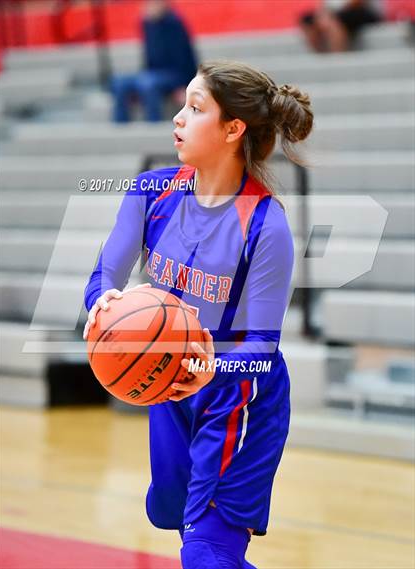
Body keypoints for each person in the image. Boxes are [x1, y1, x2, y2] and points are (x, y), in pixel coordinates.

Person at [84, 60, 314, 568]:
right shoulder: (151, 192)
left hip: (237, 401)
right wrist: (102, 300)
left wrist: (210, 366)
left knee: (206, 551)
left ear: (233, 129)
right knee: (171, 512)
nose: (178, 119)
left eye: (195, 108)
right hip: (170, 389)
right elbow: (105, 273)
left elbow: (262, 348)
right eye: (182, 105)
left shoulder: (265, 224)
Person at [111, 0, 197, 122]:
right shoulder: (147, 24)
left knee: (147, 84)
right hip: (153, 73)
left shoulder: (175, 23)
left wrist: (185, 86)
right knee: (119, 83)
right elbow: (149, 57)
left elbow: (186, 57)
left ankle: (153, 125)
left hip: (175, 75)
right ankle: (120, 129)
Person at [299, 0, 384, 52]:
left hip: (360, 10)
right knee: (307, 21)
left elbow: (357, 3)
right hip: (335, 13)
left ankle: (337, 56)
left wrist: (330, 16)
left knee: (334, 22)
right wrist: (322, 16)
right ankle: (319, 56)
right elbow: (322, 6)